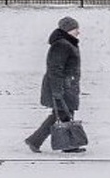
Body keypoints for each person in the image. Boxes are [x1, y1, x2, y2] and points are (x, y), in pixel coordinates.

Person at [24, 15, 84, 154]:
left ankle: (67, 145)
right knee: (61, 114)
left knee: (64, 114)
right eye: (75, 29)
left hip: (67, 85)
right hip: (62, 86)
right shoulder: (62, 45)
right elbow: (54, 69)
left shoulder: (68, 43)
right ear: (67, 30)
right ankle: (36, 140)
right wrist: (57, 90)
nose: (78, 32)